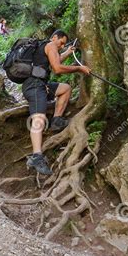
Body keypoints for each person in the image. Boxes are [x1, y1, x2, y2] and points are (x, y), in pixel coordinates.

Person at [23, 29, 91, 175]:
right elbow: (57, 69)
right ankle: (37, 156)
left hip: (42, 85)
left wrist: (67, 52)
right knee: (39, 118)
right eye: (61, 43)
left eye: (63, 45)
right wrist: (78, 68)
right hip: (34, 86)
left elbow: (56, 61)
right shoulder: (50, 45)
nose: (61, 46)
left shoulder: (47, 48)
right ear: (54, 37)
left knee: (65, 88)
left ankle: (56, 120)